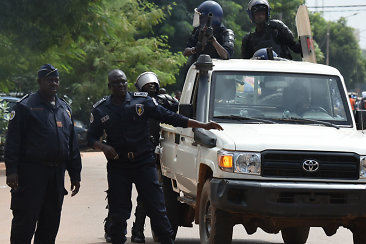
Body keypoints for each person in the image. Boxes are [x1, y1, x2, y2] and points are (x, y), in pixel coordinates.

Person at [87, 69, 223, 244]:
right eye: (116, 83)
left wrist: (201, 125)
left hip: (143, 163)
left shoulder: (141, 102)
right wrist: (103, 146)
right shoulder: (101, 109)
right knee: (118, 213)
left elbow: (170, 117)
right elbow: (91, 137)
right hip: (118, 165)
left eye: (123, 82)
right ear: (109, 86)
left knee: (157, 209)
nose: (121, 85)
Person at [4, 64, 82, 243]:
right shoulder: (25, 107)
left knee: (50, 223)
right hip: (31, 173)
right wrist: (12, 171)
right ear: (39, 82)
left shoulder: (64, 108)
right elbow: (13, 141)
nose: (53, 83)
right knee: (25, 222)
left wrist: (75, 174)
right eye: (49, 80)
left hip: (56, 175)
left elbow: (72, 145)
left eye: (56, 80)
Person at [103, 72, 180, 243]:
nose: (151, 87)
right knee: (117, 198)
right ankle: (112, 228)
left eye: (153, 84)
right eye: (147, 85)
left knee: (149, 198)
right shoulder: (131, 102)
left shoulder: (161, 100)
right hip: (125, 155)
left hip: (150, 153)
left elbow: (177, 111)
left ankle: (138, 230)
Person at [181, 0, 234, 74]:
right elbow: (185, 52)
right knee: (189, 63)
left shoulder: (226, 33)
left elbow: (226, 55)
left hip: (217, 73)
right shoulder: (198, 31)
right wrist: (195, 49)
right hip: (198, 70)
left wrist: (213, 41)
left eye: (201, 17)